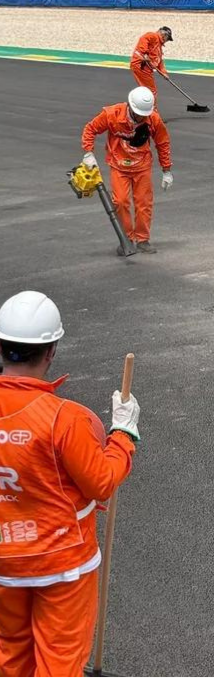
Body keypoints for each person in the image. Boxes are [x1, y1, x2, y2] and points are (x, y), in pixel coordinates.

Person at [0, 290, 141, 677]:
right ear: (51, 351)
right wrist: (124, 433)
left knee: (9, 656)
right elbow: (101, 482)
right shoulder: (65, 418)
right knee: (59, 662)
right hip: (62, 562)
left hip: (4, 563)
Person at [81, 86, 175, 255]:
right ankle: (127, 239)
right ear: (131, 107)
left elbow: (163, 143)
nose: (141, 117)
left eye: (144, 115)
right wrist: (88, 152)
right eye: (139, 114)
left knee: (143, 203)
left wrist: (166, 170)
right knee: (121, 202)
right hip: (119, 166)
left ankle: (143, 239)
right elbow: (90, 129)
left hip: (142, 166)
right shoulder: (112, 114)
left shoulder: (153, 118)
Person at [129, 26, 173, 101]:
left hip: (146, 69)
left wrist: (164, 73)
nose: (167, 41)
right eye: (167, 38)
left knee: (148, 90)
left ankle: (143, 105)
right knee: (151, 91)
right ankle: (152, 110)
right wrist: (144, 53)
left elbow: (159, 62)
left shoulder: (159, 48)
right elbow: (144, 39)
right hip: (141, 65)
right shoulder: (153, 36)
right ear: (164, 35)